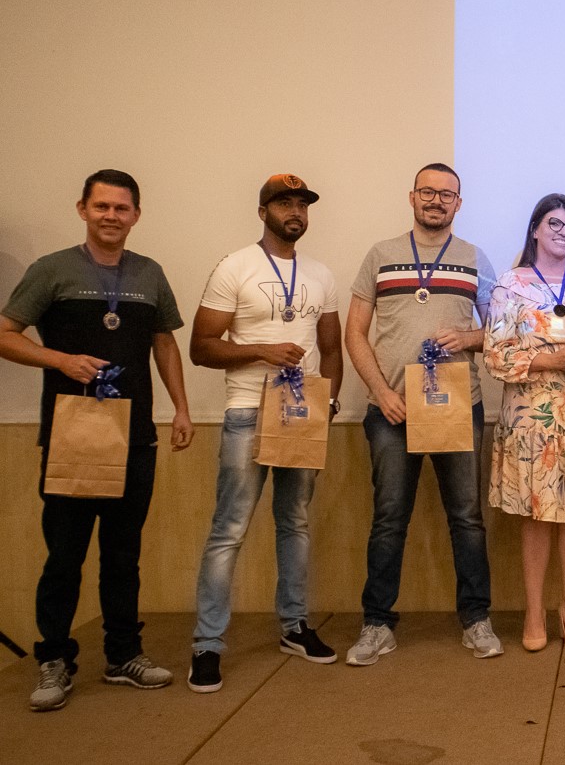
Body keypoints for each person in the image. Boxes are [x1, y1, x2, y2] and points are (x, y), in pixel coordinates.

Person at [0, 169, 193, 712]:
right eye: (102, 206)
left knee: (123, 555)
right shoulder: (52, 270)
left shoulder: (150, 273)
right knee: (64, 556)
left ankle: (123, 655)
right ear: (82, 208)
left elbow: (164, 343)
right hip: (72, 437)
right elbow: (5, 335)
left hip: (135, 439)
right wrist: (60, 360)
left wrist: (181, 408)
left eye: (121, 208)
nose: (111, 216)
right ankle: (54, 660)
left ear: (136, 215)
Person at [187, 174, 343, 693]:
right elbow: (201, 347)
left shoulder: (321, 274)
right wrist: (261, 350)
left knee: (294, 522)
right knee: (229, 529)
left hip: (300, 414)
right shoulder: (235, 267)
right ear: (262, 212)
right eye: (283, 203)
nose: (294, 211)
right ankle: (207, 645)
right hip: (247, 413)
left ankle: (294, 627)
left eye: (302, 204)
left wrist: (329, 402)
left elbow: (331, 349)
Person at [345, 163, 501, 663]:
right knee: (389, 519)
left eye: (446, 194)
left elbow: (500, 333)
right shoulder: (380, 255)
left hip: (458, 407)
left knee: (467, 518)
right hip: (391, 409)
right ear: (412, 197)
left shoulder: (475, 258)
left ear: (459, 203)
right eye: (427, 192)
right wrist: (380, 391)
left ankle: (476, 620)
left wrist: (470, 337)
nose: (436, 201)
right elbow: (354, 333)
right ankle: (376, 625)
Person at [484, 193, 565, 651]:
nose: (564, 233)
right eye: (555, 224)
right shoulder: (511, 284)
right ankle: (534, 611)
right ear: (536, 229)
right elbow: (495, 355)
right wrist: (550, 359)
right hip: (531, 417)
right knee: (537, 516)